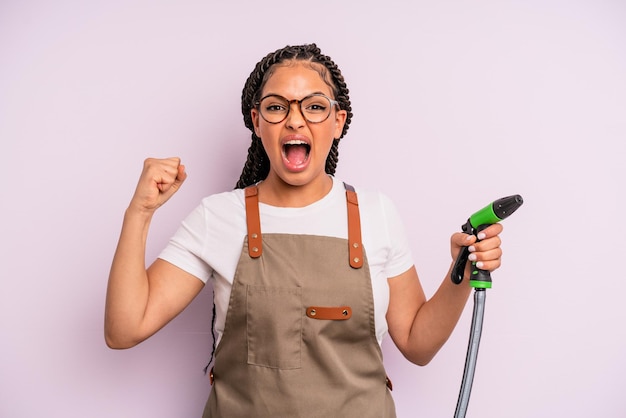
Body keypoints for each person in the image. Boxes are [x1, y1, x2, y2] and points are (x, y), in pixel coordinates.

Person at [104, 43, 503, 417]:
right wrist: (139, 212)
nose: (295, 119)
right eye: (277, 107)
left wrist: (463, 274)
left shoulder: (376, 213)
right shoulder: (218, 217)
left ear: (337, 121)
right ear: (258, 122)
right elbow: (125, 328)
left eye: (314, 106)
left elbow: (417, 344)